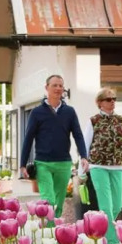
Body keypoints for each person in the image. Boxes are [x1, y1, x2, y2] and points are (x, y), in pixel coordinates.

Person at [79, 87, 122, 244]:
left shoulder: (120, 120)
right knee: (106, 206)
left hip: (117, 167)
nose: (112, 101)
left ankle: (98, 231)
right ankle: (111, 243)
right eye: (108, 99)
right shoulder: (94, 120)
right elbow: (85, 145)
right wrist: (81, 171)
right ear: (100, 103)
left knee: (117, 206)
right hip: (97, 166)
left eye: (114, 98)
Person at [19, 74, 89, 218]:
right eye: (54, 85)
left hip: (63, 163)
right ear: (47, 87)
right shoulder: (36, 112)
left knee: (59, 202)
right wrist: (22, 164)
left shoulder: (69, 112)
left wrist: (83, 156)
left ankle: (54, 229)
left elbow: (78, 135)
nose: (58, 88)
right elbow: (28, 138)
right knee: (48, 200)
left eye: (60, 86)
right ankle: (49, 229)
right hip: (43, 164)